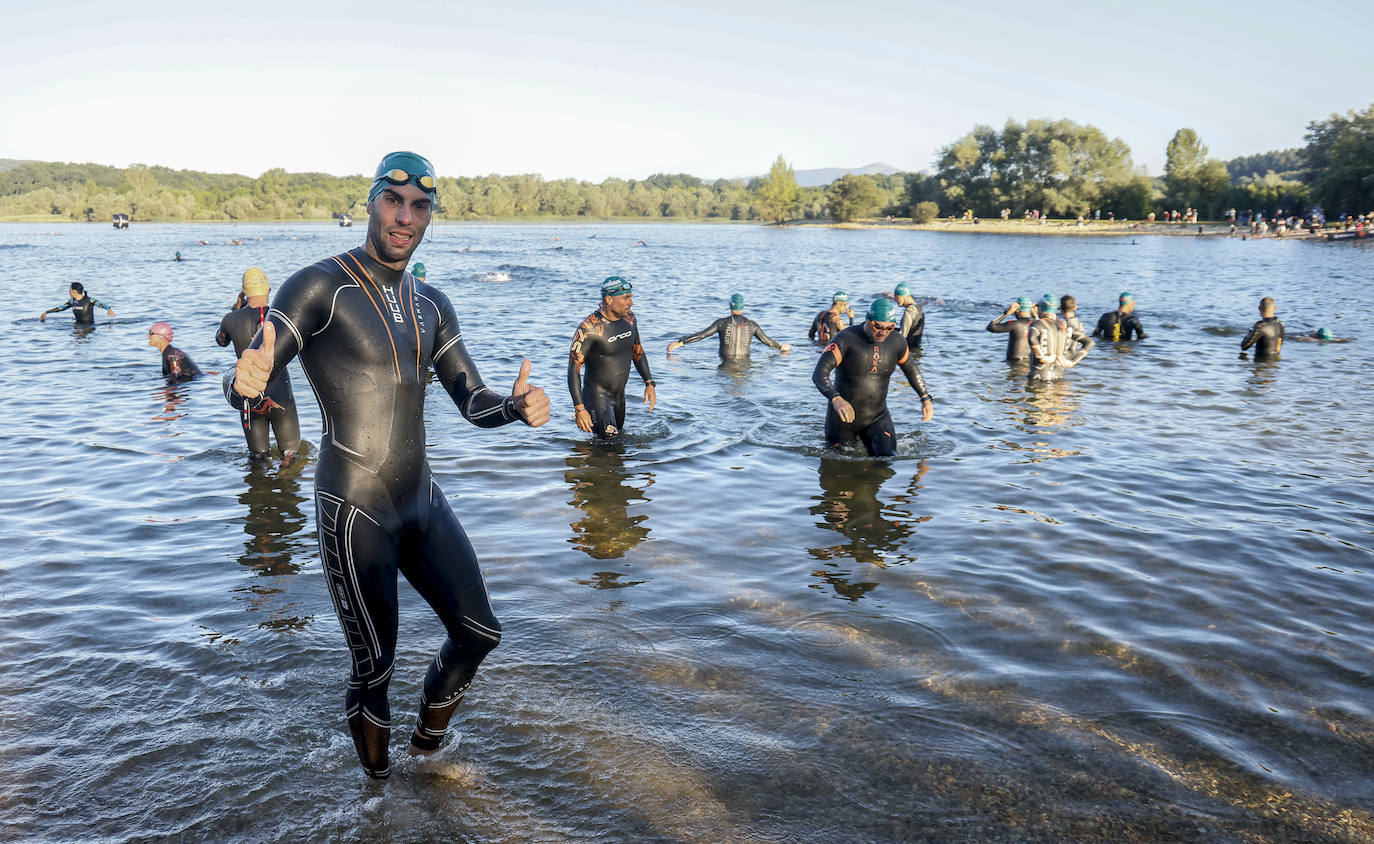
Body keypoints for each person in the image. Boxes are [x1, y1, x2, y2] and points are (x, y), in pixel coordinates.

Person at [228, 151, 551, 779]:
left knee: (478, 633)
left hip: (421, 500)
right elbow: (261, 362)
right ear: (371, 201)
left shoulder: (433, 302)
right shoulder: (322, 285)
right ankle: (378, 798)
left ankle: (426, 753)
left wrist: (512, 407)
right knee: (374, 667)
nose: (405, 217)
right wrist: (244, 379)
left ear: (430, 216)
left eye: (420, 206)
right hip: (355, 506)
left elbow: (471, 400)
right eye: (394, 201)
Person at [812, 298, 934, 457]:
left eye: (889, 328)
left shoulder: (897, 341)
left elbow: (911, 369)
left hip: (877, 416)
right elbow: (819, 373)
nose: (883, 332)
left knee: (888, 459)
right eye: (878, 326)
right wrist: (836, 399)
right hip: (843, 419)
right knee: (839, 466)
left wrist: (925, 398)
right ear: (868, 320)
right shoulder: (846, 338)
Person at [216, 267, 301, 460]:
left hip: (249, 394)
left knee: (258, 456)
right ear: (268, 290)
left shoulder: (230, 319)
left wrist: (235, 309)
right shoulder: (281, 319)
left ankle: (261, 487)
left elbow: (221, 341)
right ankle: (286, 481)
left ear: (244, 292)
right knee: (290, 455)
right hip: (281, 396)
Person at [568, 276, 656, 438]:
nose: (631, 303)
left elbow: (637, 351)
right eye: (626, 298)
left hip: (619, 396)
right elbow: (574, 369)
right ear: (608, 299)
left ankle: (587, 457)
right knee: (610, 444)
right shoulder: (589, 328)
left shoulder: (630, 319)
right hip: (596, 397)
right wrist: (580, 408)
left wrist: (649, 383)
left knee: (617, 444)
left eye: (631, 297)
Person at [666, 293, 790, 360]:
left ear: (730, 306)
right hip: (744, 365)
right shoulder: (753, 325)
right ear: (743, 306)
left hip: (725, 364)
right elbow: (767, 341)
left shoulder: (721, 323)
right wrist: (781, 347)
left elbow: (702, 335)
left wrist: (680, 343)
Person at [986, 296, 1036, 362]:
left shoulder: (1015, 324)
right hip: (1030, 362)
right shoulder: (1038, 323)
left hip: (1015, 362)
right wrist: (1035, 314)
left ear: (1017, 310)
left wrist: (1007, 313)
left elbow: (991, 327)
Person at [39, 282, 115, 324]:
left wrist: (109, 309)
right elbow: (61, 308)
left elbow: (101, 304)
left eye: (69, 289)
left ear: (74, 291)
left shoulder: (89, 300)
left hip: (89, 327)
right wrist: (47, 312)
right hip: (77, 325)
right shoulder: (72, 301)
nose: (69, 291)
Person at [893, 282, 924, 350]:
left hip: (908, 349)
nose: (895, 300)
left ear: (902, 296)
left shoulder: (909, 311)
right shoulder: (919, 308)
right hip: (916, 347)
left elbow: (903, 335)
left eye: (896, 297)